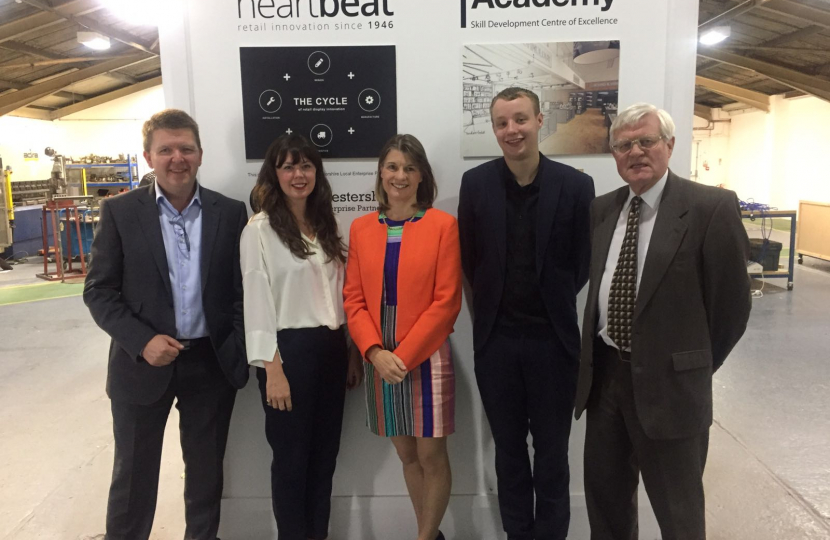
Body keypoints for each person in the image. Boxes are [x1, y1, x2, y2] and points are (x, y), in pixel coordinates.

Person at [574, 103, 752, 540]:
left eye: (646, 141)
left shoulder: (710, 208)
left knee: (680, 515)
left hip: (672, 389)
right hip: (605, 383)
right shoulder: (602, 210)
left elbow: (732, 308)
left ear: (669, 145)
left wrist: (691, 367)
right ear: (613, 154)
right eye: (623, 145)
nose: (635, 152)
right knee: (607, 506)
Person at [83, 109, 249, 540]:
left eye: (186, 149)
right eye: (166, 150)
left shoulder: (230, 213)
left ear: (200, 155)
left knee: (205, 479)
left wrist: (233, 345)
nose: (178, 158)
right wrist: (142, 341)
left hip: (210, 365)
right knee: (133, 481)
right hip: (142, 366)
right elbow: (99, 291)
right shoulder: (120, 212)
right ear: (148, 157)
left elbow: (240, 291)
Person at [457, 87, 594, 540]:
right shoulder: (475, 184)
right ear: (494, 129)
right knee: (509, 453)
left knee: (553, 455)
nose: (511, 130)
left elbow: (580, 263)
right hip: (496, 344)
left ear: (539, 120)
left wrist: (551, 302)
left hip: (553, 344)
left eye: (520, 119)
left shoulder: (575, 186)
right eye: (502, 122)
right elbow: (470, 261)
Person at [241, 133, 363, 540]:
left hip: (330, 352)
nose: (298, 174)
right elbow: (256, 300)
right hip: (287, 356)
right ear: (274, 174)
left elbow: (340, 295)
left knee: (324, 459)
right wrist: (271, 368)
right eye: (288, 166)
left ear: (317, 172)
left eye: (306, 165)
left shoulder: (328, 224)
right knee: (292, 462)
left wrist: (351, 352)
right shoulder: (259, 230)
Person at [343, 134, 462, 540]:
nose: (400, 175)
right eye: (393, 166)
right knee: (407, 453)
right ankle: (428, 532)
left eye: (410, 168)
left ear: (421, 176)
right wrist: (375, 352)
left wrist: (404, 355)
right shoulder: (361, 228)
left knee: (431, 453)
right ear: (381, 172)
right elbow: (354, 299)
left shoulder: (443, 225)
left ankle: (425, 538)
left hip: (426, 354)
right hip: (378, 356)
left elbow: (447, 302)